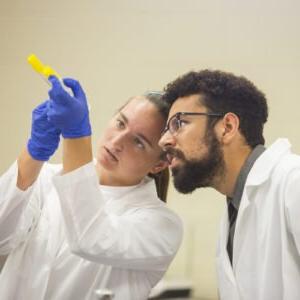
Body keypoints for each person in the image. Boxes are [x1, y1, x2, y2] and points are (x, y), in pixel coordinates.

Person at [0, 76, 183, 300]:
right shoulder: (46, 178)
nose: (117, 142)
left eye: (138, 142)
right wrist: (34, 151)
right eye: (120, 123)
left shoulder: (161, 225)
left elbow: (89, 237)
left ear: (160, 164)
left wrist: (76, 136)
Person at [159, 70, 300, 300]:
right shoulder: (234, 209)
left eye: (179, 123)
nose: (163, 140)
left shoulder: (293, 182)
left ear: (227, 127)